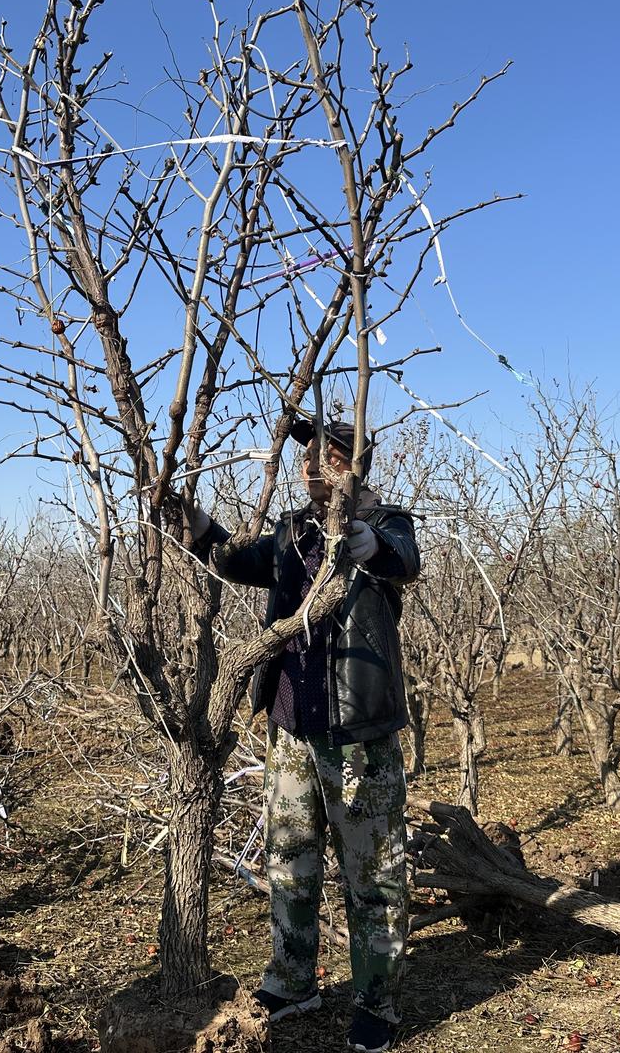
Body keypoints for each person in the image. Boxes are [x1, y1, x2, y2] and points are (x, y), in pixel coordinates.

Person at [188, 419, 420, 1053]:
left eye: (324, 456)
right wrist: (200, 523)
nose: (309, 465)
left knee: (373, 876)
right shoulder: (292, 531)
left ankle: (377, 1001)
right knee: (289, 864)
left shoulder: (386, 523)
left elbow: (402, 557)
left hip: (359, 739)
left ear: (352, 466)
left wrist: (365, 540)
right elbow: (239, 560)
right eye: (306, 456)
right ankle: (293, 981)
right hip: (290, 730)